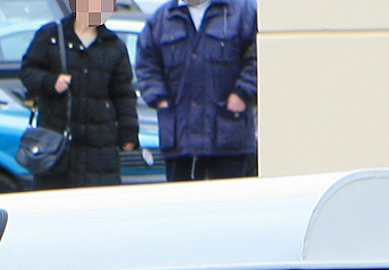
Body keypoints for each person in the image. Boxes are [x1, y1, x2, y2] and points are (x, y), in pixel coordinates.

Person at [19, 0, 137, 190]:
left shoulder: (114, 46)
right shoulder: (51, 36)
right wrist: (51, 82)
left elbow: (124, 94)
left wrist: (129, 133)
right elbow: (28, 72)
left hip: (100, 148)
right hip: (57, 144)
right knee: (56, 206)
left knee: (97, 208)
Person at [136, 0, 258, 182]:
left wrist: (241, 95)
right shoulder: (162, 19)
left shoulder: (243, 13)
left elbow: (259, 58)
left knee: (226, 207)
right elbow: (146, 65)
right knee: (182, 207)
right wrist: (160, 100)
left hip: (228, 137)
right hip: (180, 140)